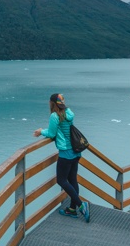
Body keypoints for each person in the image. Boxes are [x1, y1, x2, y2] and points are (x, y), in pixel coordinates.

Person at [33, 93, 90, 222]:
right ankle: (71, 209)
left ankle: (81, 205)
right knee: (72, 179)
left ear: (52, 103)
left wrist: (41, 131)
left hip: (66, 153)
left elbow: (52, 133)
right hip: (76, 152)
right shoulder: (68, 112)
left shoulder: (54, 116)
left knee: (61, 180)